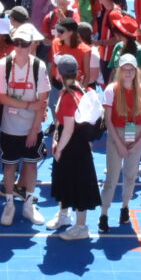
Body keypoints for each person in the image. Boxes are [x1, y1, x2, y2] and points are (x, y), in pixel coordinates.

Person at [0, 24, 53, 227]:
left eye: (24, 44)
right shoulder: (4, 65)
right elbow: (1, 97)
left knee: (31, 165)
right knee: (9, 166)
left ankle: (28, 205)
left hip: (31, 127)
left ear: (31, 46)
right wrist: (28, 104)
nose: (19, 47)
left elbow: (43, 101)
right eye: (16, 43)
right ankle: (9, 204)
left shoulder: (39, 66)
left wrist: (34, 130)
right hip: (9, 128)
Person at [98, 52, 141, 233]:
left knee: (131, 174)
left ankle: (125, 207)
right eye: (125, 69)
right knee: (112, 177)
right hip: (117, 134)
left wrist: (139, 142)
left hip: (134, 132)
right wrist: (120, 144)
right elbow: (108, 120)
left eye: (131, 69)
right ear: (119, 71)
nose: (128, 73)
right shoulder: (111, 90)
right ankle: (104, 213)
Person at [47, 53, 100, 240]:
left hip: (72, 147)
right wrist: (56, 139)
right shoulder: (76, 89)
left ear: (59, 73)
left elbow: (68, 128)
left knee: (77, 185)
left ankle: (81, 227)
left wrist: (59, 149)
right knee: (65, 181)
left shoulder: (70, 96)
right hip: (72, 143)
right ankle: (64, 215)